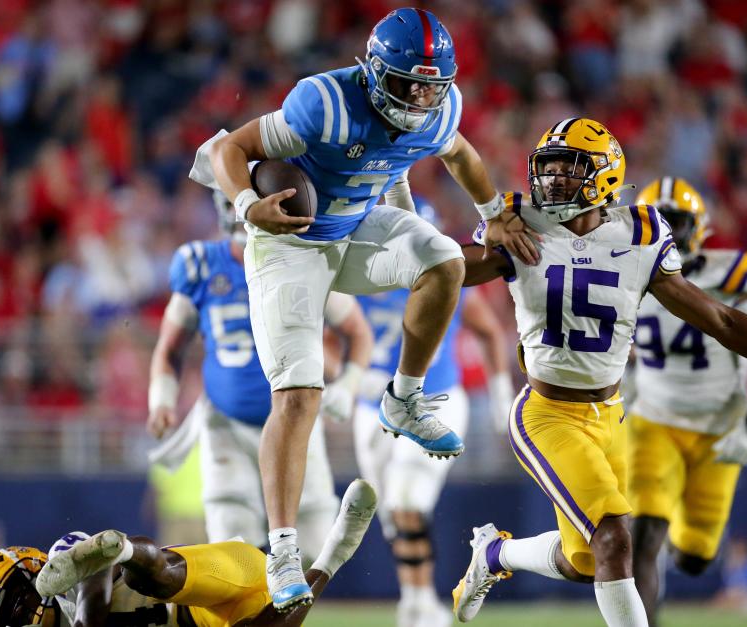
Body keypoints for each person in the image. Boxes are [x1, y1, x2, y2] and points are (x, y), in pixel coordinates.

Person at [204, 7, 533, 608]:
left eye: (432, 85)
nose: (420, 96)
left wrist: (493, 214)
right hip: (289, 241)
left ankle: (404, 398)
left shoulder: (442, 108)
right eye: (409, 82)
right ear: (375, 69)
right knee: (299, 394)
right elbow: (231, 148)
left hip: (357, 226)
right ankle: (282, 551)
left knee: (447, 263)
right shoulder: (324, 102)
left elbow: (458, 153)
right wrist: (249, 204)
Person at [451, 117, 747, 627]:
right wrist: (482, 239)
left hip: (611, 415)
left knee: (589, 563)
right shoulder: (522, 221)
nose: (553, 180)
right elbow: (454, 274)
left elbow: (721, 319)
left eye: (568, 169)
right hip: (546, 414)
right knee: (615, 538)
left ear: (604, 175)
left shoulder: (641, 233)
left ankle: (495, 556)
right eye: (548, 168)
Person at [146, 191, 373, 564]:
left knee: (315, 545)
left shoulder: (302, 260)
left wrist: (348, 385)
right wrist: (161, 400)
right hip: (227, 424)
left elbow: (358, 331)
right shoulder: (202, 265)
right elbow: (170, 348)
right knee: (233, 546)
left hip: (294, 418)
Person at [626, 177, 747, 626]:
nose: (669, 232)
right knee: (644, 534)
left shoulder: (729, 275)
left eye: (676, 222)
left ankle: (681, 521)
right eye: (659, 222)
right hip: (653, 419)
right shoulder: (622, 273)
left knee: (695, 557)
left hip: (719, 427)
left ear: (699, 227)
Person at [353, 195, 514, 626]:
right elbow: (330, 337)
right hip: (373, 409)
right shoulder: (361, 279)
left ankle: (420, 602)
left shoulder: (446, 279)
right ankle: (415, 598)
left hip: (434, 403)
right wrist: (352, 377)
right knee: (388, 512)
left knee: (408, 500)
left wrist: (500, 392)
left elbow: (490, 332)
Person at [0, 479, 377, 627]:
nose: (21, 616)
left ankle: (123, 547)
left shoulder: (61, 564)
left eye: (17, 602)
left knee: (139, 573)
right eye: (8, 617)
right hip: (228, 619)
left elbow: (93, 595)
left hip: (205, 583)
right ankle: (333, 555)